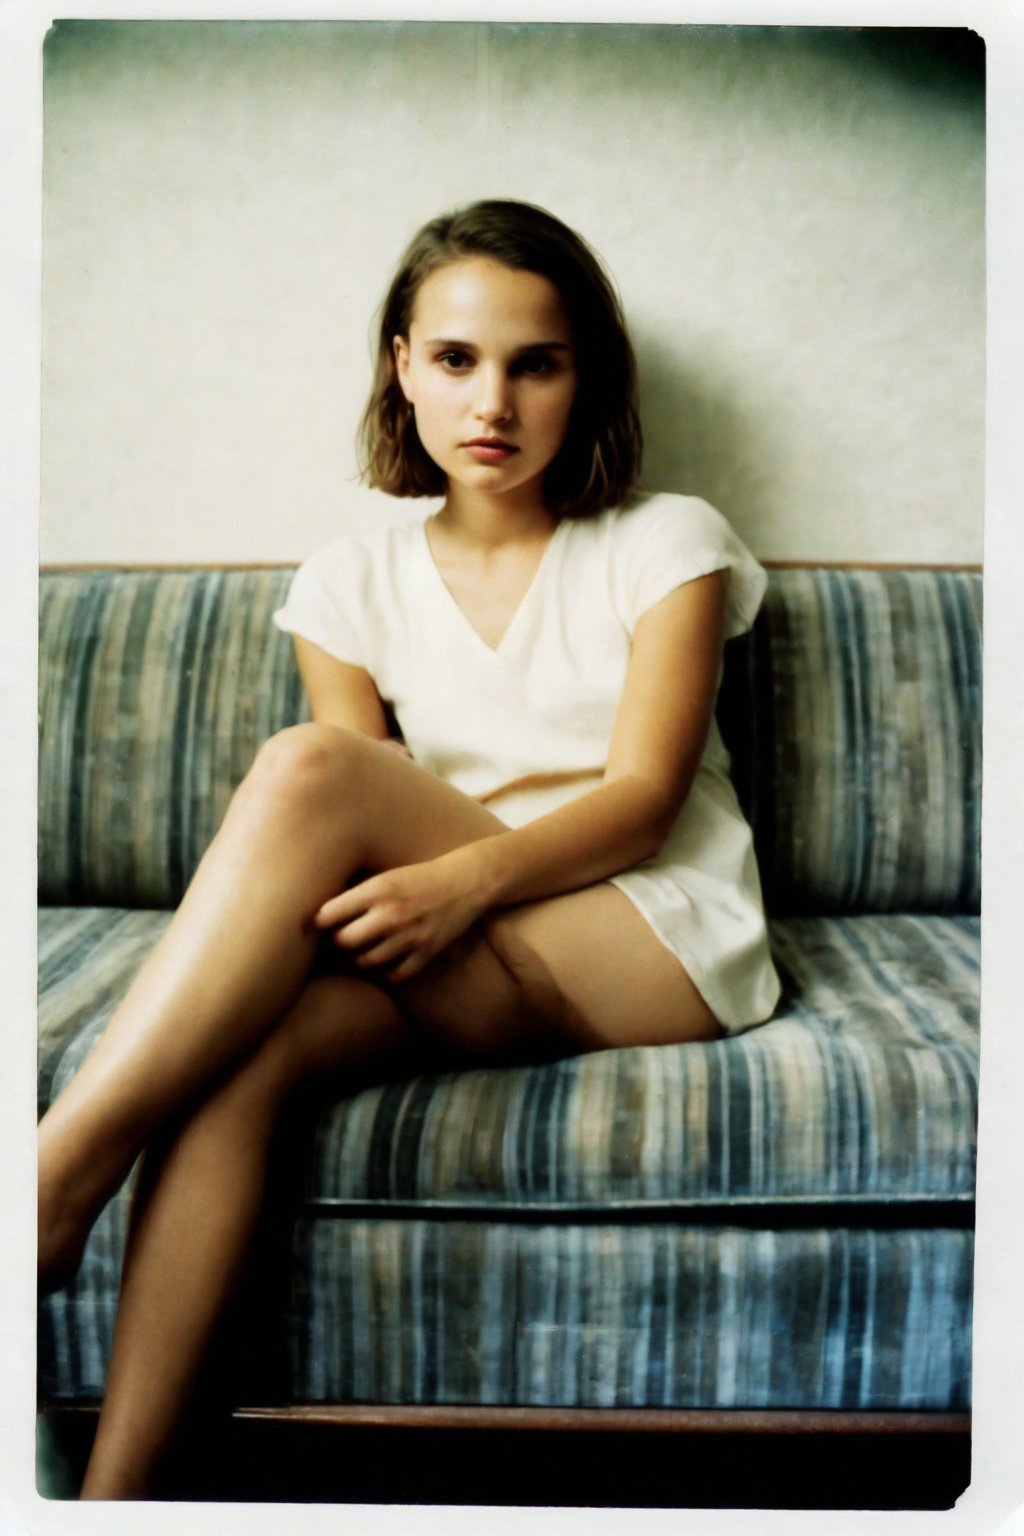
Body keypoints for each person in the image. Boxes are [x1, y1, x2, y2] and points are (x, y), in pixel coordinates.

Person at [37, 199, 780, 1499]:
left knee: (312, 768)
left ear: (584, 377)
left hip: (646, 925)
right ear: (401, 366)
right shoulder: (346, 579)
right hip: (465, 938)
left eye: (535, 363)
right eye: (454, 360)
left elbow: (646, 799)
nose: (491, 400)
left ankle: (51, 1178)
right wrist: (423, 896)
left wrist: (459, 882)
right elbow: (343, 842)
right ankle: (111, 1502)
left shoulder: (667, 540)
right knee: (238, 1058)